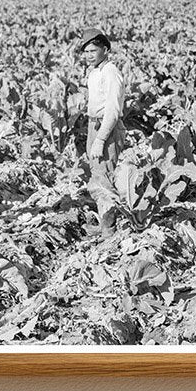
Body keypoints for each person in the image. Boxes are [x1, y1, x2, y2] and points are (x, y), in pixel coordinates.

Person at [79, 27, 126, 238]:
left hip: (105, 128)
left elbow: (113, 111)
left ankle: (110, 230)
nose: (89, 56)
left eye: (93, 51)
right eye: (86, 52)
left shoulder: (111, 72)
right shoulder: (96, 71)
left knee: (105, 176)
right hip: (93, 125)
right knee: (97, 175)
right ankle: (105, 223)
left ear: (105, 50)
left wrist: (100, 139)